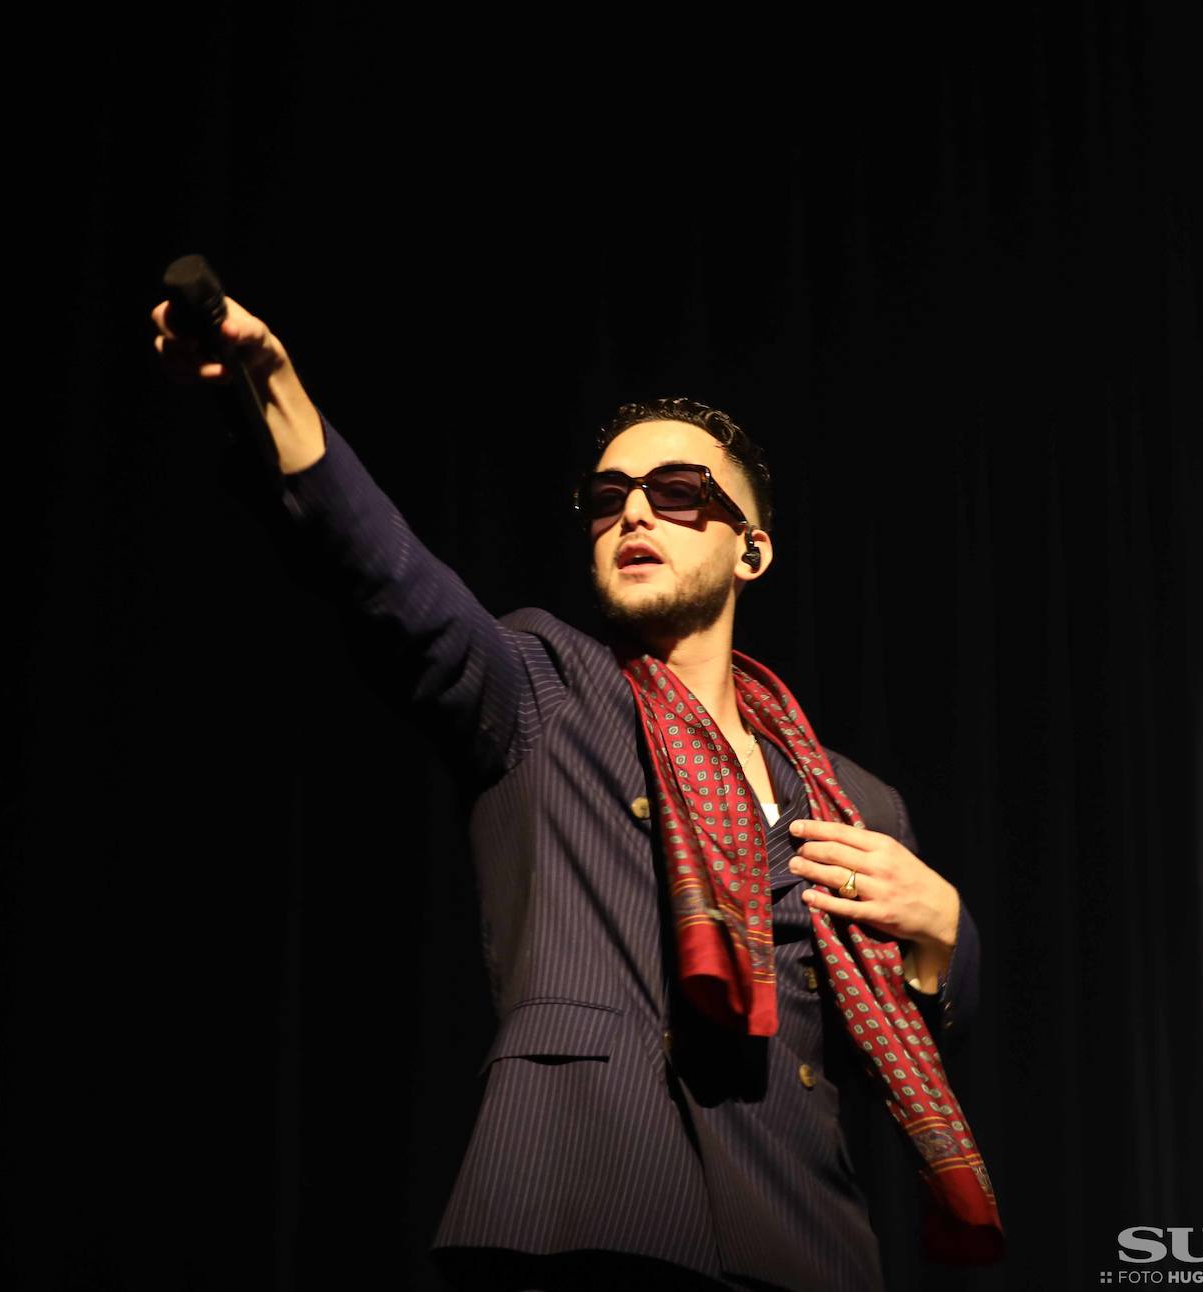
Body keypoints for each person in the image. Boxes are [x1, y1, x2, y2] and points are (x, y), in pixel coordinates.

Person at [152, 296, 1003, 1291]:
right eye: (609, 497)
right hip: (591, 1210)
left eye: (681, 492)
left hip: (800, 1237)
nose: (635, 511)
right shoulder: (544, 688)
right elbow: (389, 581)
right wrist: (277, 396)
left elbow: (877, 1044)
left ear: (752, 547)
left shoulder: (851, 800)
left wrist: (946, 931)